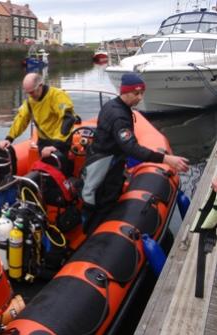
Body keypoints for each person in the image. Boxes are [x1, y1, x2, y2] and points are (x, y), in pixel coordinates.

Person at [81, 73, 189, 231]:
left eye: (142, 93)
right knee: (106, 202)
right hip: (107, 166)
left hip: (104, 157)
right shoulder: (120, 117)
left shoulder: (111, 106)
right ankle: (97, 235)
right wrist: (166, 159)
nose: (140, 97)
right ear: (124, 92)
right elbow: (130, 147)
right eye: (136, 93)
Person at [0, 73, 80, 160]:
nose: (30, 95)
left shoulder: (57, 95)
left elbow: (68, 119)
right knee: (44, 167)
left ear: (40, 86)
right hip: (43, 141)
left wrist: (56, 145)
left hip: (60, 140)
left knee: (60, 167)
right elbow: (21, 119)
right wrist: (9, 139)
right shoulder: (30, 102)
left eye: (32, 92)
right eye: (28, 93)